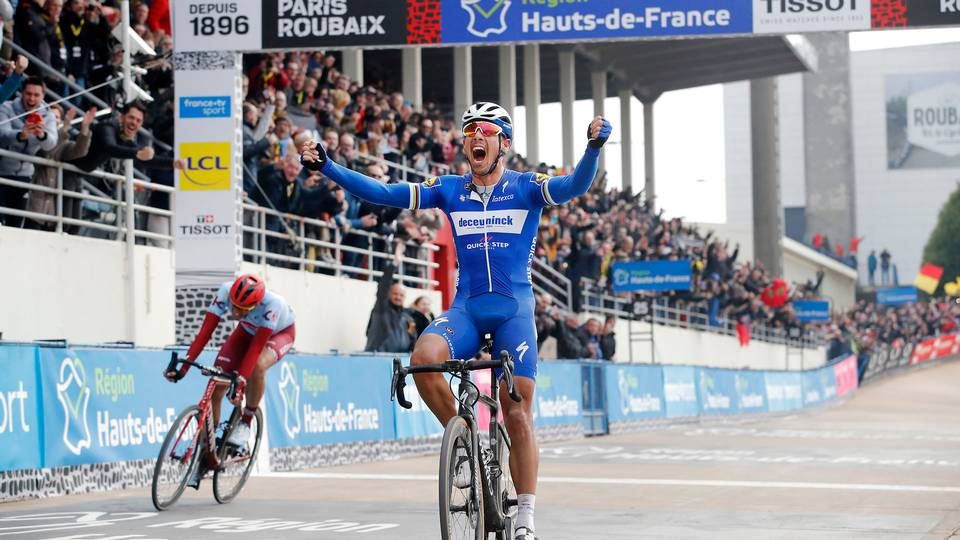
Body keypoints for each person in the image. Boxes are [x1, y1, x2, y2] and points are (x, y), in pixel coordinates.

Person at [301, 101, 611, 540]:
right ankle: (464, 442)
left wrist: (594, 147)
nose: (475, 138)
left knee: (516, 412)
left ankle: (524, 514)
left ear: (503, 142)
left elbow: (574, 185)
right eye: (468, 132)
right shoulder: (449, 189)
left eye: (484, 130)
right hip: (466, 308)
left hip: (514, 310)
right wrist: (329, 167)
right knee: (424, 360)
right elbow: (386, 194)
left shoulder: (525, 187)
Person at [165, 274, 295, 486]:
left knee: (257, 366)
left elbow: (254, 349)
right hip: (245, 331)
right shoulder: (225, 290)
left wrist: (241, 382)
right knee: (216, 382)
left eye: (241, 310)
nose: (234, 312)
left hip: (277, 335)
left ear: (255, 305)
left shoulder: (274, 305)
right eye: (233, 306)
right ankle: (207, 454)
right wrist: (184, 368)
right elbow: (205, 333)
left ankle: (246, 421)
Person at [365, 258, 415, 353]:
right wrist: (394, 264)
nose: (398, 297)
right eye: (395, 294)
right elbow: (383, 288)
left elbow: (412, 339)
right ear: (388, 294)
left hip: (401, 361)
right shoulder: (382, 309)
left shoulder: (407, 318)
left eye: (401, 295)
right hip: (378, 359)